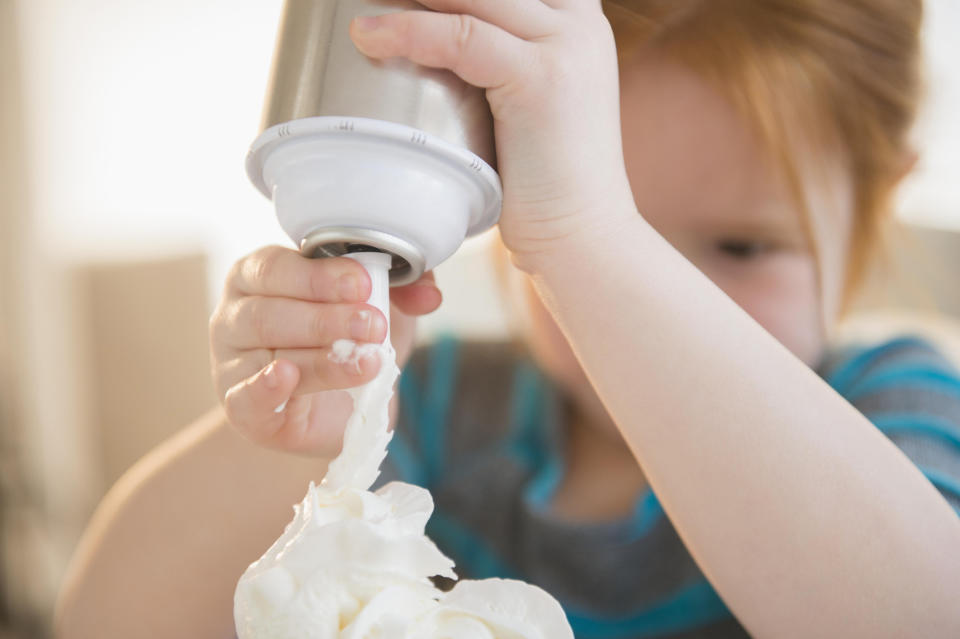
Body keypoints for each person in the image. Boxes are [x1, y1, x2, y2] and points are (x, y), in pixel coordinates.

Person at [55, 0, 960, 637]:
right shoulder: (443, 409)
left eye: (741, 246)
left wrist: (594, 239)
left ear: (875, 208)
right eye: (600, 230)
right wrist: (294, 432)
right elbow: (106, 622)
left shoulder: (886, 416)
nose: (656, 301)